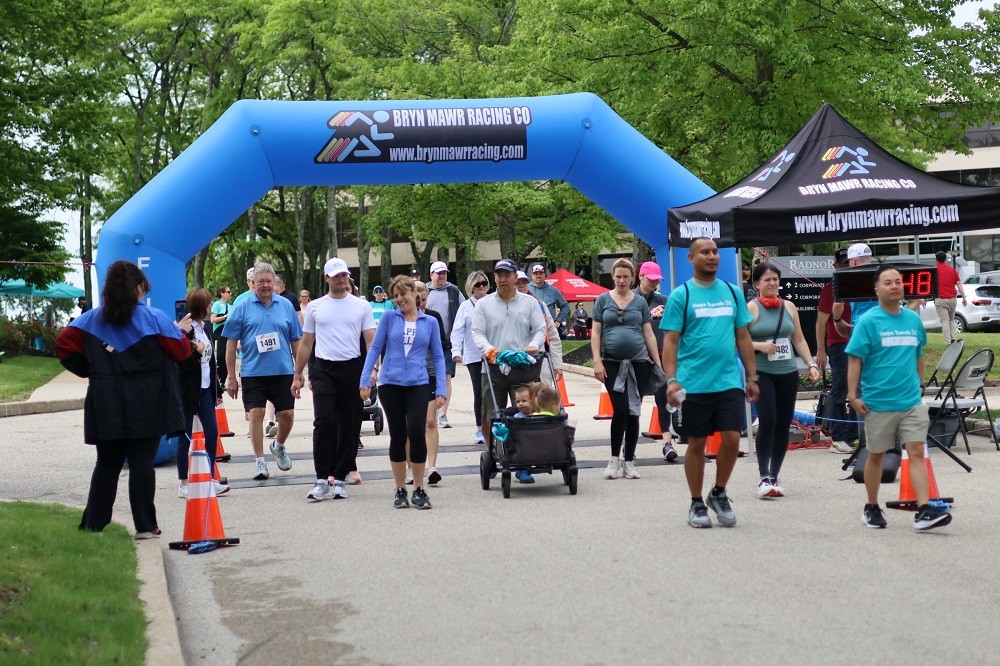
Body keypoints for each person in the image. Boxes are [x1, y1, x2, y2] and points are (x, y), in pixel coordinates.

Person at [55, 260, 191, 539]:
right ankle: (144, 526)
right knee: (142, 462)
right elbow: (181, 353)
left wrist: (90, 368)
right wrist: (183, 332)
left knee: (107, 462)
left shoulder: (89, 320)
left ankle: (93, 525)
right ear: (139, 288)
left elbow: (63, 346)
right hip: (148, 399)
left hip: (106, 399)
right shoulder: (155, 318)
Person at [661, 237, 759, 528]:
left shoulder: (732, 291)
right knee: (697, 442)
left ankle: (719, 492)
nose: (712, 256)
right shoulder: (682, 295)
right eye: (705, 252)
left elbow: (743, 336)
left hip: (728, 380)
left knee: (731, 437)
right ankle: (696, 503)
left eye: (715, 252)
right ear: (691, 258)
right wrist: (671, 380)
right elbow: (671, 342)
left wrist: (752, 376)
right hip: (693, 384)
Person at [846, 264, 952, 531]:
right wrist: (852, 395)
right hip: (878, 403)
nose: (895, 286)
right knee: (877, 455)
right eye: (888, 282)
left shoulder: (913, 319)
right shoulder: (868, 321)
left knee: (916, 451)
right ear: (877, 289)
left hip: (910, 402)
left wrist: (919, 386)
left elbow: (918, 354)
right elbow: (855, 360)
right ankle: (871, 507)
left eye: (898, 282)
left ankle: (924, 509)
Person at [291, 258, 376, 501]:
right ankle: (321, 478)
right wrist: (298, 374)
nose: (342, 279)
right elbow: (306, 343)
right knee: (324, 421)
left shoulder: (361, 306)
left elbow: (371, 340)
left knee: (349, 424)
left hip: (353, 368)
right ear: (327, 278)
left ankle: (340, 477)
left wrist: (372, 370)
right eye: (337, 275)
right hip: (324, 369)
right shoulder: (316, 307)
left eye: (345, 275)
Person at [360, 275, 446, 509]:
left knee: (416, 433)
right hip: (391, 384)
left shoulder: (430, 322)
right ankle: (400, 489)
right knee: (398, 435)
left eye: (402, 294)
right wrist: (365, 378)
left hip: (418, 383)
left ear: (414, 294)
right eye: (395, 295)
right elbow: (375, 348)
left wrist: (441, 388)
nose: (399, 299)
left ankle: (419, 488)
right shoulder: (389, 318)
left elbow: (438, 356)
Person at [746, 263, 821, 499]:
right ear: (757, 284)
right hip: (762, 371)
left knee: (783, 423)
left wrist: (811, 364)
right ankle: (763, 475)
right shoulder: (751, 308)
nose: (772, 284)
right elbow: (738, 341)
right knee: (768, 420)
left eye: (776, 279)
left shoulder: (789, 307)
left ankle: (775, 475)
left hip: (787, 372)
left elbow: (798, 339)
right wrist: (760, 346)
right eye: (767, 280)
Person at [222, 262, 302, 481]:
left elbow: (296, 340)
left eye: (269, 281)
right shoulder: (242, 306)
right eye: (261, 282)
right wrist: (231, 376)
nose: (265, 285)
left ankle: (279, 445)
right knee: (256, 414)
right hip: (253, 372)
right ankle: (259, 462)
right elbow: (230, 344)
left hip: (282, 371)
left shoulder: (285, 305)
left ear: (274, 283)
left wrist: (299, 371)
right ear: (253, 284)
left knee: (287, 414)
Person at [472, 258, 547, 484]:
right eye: (499, 275)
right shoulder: (484, 304)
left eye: (507, 275)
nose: (503, 279)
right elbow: (477, 333)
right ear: (494, 278)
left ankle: (522, 462)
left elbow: (540, 329)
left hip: (522, 367)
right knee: (490, 414)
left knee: (523, 414)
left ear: (516, 277)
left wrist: (534, 345)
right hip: (493, 367)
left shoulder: (529, 303)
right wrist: (490, 350)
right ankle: (493, 454)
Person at [591, 258, 663, 481]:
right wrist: (597, 361)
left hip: (638, 362)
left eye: (626, 276)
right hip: (612, 363)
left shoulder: (640, 302)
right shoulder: (602, 300)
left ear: (633, 278)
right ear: (612, 277)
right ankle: (614, 459)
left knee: (634, 410)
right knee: (620, 409)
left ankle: (629, 461)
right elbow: (595, 333)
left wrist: (657, 363)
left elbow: (649, 333)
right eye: (618, 276)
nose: (622, 280)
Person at [176, 287, 229, 498]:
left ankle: (210, 478)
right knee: (185, 437)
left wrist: (217, 390)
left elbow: (212, 359)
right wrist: (194, 351)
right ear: (201, 307)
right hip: (188, 390)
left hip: (206, 388)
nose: (210, 307)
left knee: (212, 431)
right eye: (207, 304)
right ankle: (183, 483)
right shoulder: (183, 330)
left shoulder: (205, 327)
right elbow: (181, 362)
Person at [815, 248, 859, 453]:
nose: (847, 266)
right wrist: (821, 350)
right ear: (836, 266)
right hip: (839, 344)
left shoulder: (862, 286)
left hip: (859, 344)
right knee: (840, 389)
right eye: (843, 263)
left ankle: (853, 434)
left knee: (858, 390)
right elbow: (821, 322)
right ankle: (837, 437)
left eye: (850, 262)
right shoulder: (831, 289)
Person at [633, 260, 677, 461]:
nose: (653, 283)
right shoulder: (630, 298)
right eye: (650, 279)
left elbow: (675, 326)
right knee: (635, 402)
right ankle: (629, 446)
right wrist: (648, 316)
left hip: (661, 356)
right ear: (640, 276)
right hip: (637, 357)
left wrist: (665, 315)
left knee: (664, 400)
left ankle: (668, 443)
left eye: (657, 280)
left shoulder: (664, 300)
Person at [413, 280, 449, 485]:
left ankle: (431, 467)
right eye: (418, 299)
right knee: (411, 425)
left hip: (431, 374)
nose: (421, 304)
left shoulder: (433, 318)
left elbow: (440, 351)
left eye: (424, 299)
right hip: (410, 376)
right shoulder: (400, 318)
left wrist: (442, 385)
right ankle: (411, 467)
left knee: (430, 421)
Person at [450, 271, 489, 444]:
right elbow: (458, 330)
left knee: (494, 391)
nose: (481, 287)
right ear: (471, 287)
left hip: (493, 354)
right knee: (479, 392)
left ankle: (494, 425)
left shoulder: (493, 302)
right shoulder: (465, 306)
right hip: (474, 356)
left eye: (484, 283)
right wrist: (456, 351)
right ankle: (480, 428)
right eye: (477, 284)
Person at [424, 261, 465, 428]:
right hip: (425, 344)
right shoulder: (423, 290)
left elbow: (463, 312)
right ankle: (429, 411)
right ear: (431, 275)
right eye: (438, 273)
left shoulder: (454, 291)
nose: (441, 276)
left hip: (447, 342)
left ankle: (443, 414)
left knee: (446, 377)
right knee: (428, 377)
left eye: (444, 273)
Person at [515, 271, 564, 387]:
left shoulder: (540, 305)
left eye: (524, 282)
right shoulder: (506, 307)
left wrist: (558, 365)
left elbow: (553, 336)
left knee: (543, 399)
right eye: (517, 283)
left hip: (540, 363)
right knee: (523, 401)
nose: (521, 285)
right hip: (518, 364)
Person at [933, 250, 968, 344]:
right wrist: (964, 298)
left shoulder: (934, 270)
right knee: (952, 319)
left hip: (940, 299)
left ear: (936, 259)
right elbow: (959, 284)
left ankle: (948, 342)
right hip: (952, 299)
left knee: (944, 321)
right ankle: (954, 339)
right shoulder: (952, 269)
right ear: (945, 259)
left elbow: (930, 286)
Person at [527, 263, 569, 337]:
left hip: (549, 328)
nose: (538, 276)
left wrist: (558, 321)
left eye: (541, 273)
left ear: (545, 275)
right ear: (532, 275)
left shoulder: (553, 290)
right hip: (530, 329)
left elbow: (565, 306)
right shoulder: (526, 288)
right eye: (536, 274)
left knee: (550, 348)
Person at [210, 285, 232, 393]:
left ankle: (223, 380)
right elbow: (212, 320)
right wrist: (225, 317)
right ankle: (217, 379)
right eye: (228, 291)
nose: (230, 293)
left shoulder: (230, 306)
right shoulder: (217, 305)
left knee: (228, 356)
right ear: (222, 293)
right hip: (219, 331)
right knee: (221, 355)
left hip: (228, 331)